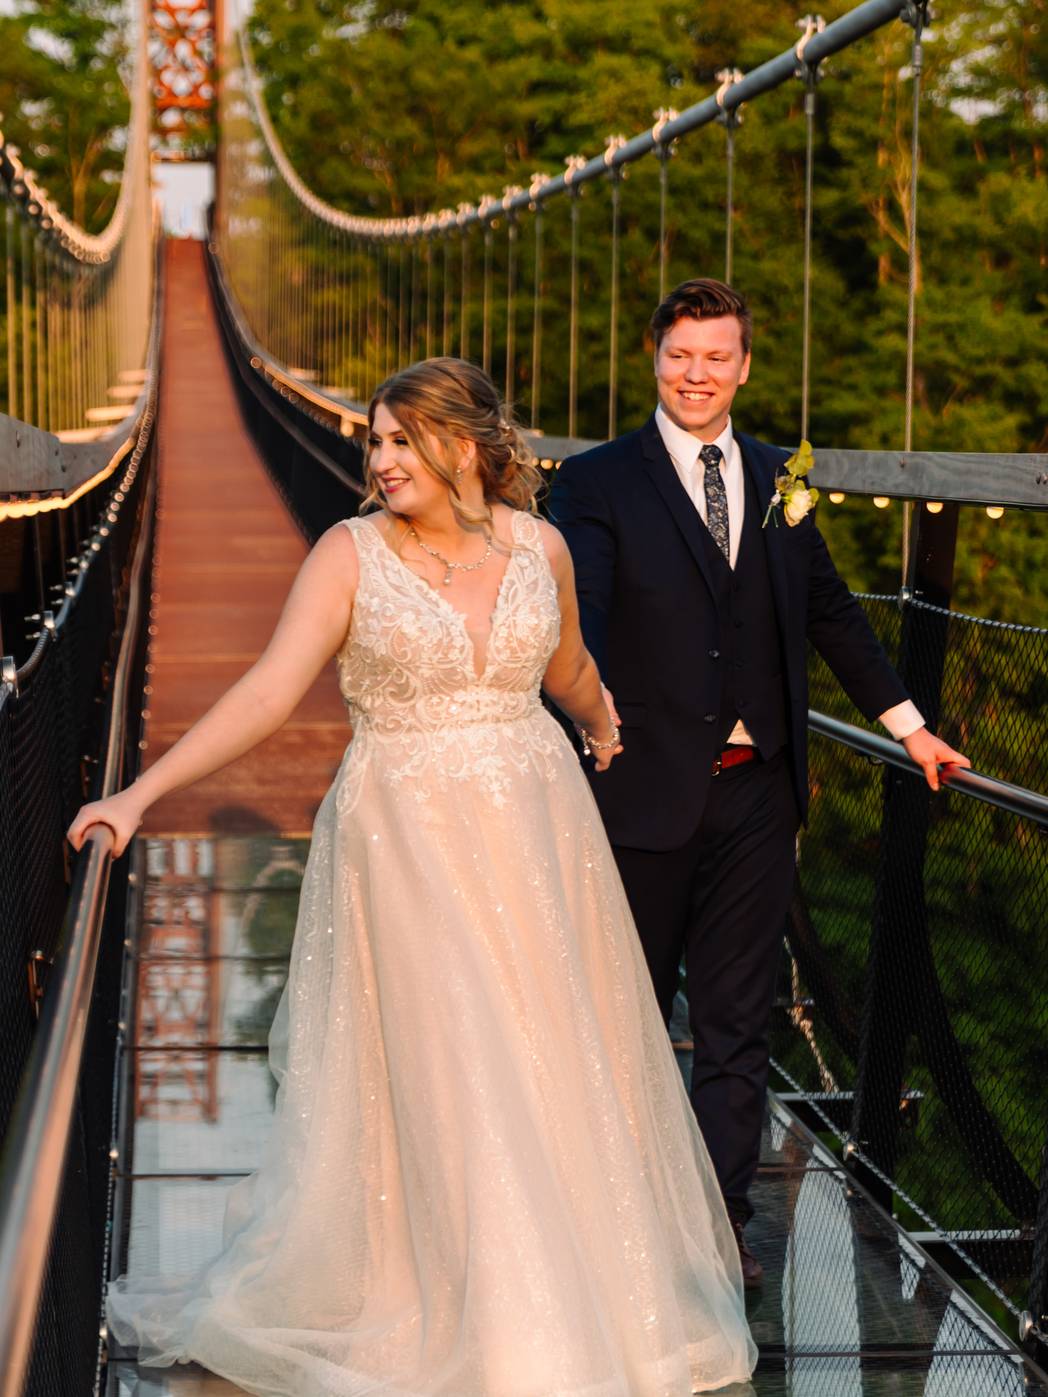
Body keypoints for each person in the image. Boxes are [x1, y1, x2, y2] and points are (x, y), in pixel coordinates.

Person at [70, 358, 758, 1396]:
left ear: (465, 446)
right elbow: (268, 690)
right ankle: (483, 1314)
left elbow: (567, 666)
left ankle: (567, 1293)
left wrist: (602, 720)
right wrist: (138, 794)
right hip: (406, 838)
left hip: (537, 832)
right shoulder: (347, 555)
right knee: (455, 1059)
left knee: (546, 1057)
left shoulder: (542, 547)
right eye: (375, 443)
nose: (381, 462)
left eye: (402, 441)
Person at [549, 279, 969, 1288]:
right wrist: (587, 715)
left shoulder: (782, 475)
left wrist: (910, 727)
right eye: (679, 355)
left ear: (743, 366)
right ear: (653, 357)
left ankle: (718, 1225)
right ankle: (610, 1223)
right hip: (637, 785)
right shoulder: (596, 481)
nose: (695, 375)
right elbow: (580, 612)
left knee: (737, 1027)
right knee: (621, 1020)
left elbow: (830, 614)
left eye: (715, 357)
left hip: (757, 791)